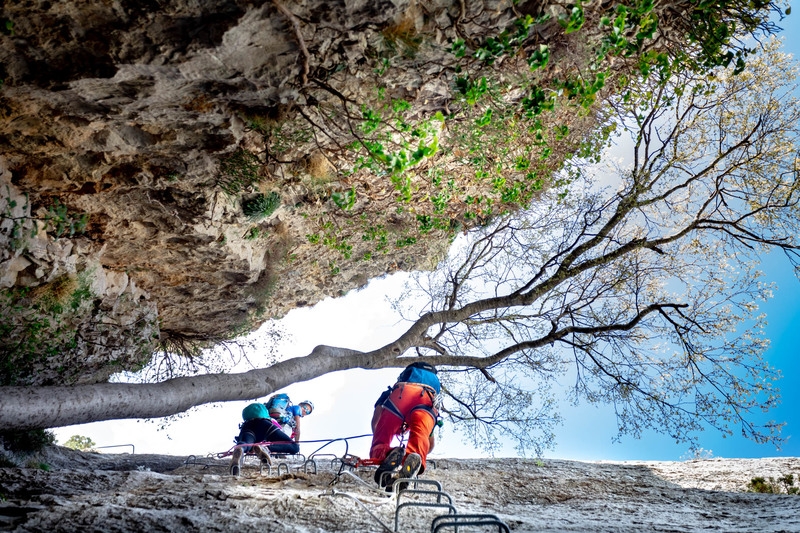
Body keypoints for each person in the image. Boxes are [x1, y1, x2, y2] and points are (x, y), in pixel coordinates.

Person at [370, 361, 440, 488]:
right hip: (427, 399)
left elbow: (376, 422)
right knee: (419, 437)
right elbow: (429, 443)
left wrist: (379, 439)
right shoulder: (431, 394)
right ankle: (414, 457)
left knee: (381, 442)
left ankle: (386, 453)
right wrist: (418, 453)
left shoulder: (386, 395)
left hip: (400, 395)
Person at [229, 403, 300, 476]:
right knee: (294, 447)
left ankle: (241, 448)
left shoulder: (246, 423)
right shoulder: (269, 419)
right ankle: (266, 448)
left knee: (246, 443)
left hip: (248, 426)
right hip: (265, 425)